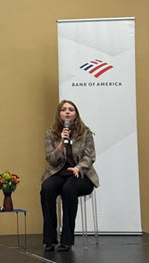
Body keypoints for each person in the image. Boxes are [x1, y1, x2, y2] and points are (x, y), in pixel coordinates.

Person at [40, 100, 99, 252]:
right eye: (63, 109)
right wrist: (60, 143)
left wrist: (78, 168)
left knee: (69, 188)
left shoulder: (85, 133)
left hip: (81, 176)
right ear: (59, 114)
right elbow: (51, 160)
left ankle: (66, 240)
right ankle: (49, 239)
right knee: (46, 188)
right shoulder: (50, 134)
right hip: (59, 173)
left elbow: (90, 157)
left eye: (71, 109)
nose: (67, 112)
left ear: (75, 114)